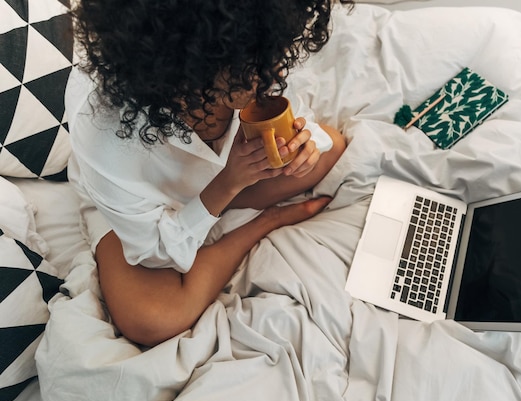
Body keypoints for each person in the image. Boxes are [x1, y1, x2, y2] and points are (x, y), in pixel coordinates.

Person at [67, 0, 354, 346]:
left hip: (228, 178)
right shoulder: (102, 130)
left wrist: (303, 147)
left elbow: (303, 121)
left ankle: (228, 207)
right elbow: (155, 255)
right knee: (150, 321)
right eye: (250, 67)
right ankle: (263, 223)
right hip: (144, 209)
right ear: (182, 62)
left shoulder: (252, 49)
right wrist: (227, 185)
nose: (273, 75)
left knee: (333, 147)